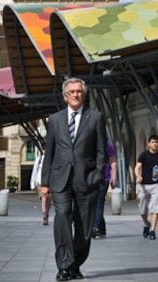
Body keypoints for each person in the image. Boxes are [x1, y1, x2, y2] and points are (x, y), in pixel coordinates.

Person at [41, 77, 107, 281]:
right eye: (72, 92)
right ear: (65, 96)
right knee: (62, 218)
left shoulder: (95, 118)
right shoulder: (55, 120)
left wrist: (97, 175)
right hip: (60, 180)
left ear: (83, 94)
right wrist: (44, 182)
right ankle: (64, 266)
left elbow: (101, 151)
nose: (76, 95)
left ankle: (75, 263)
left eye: (79, 91)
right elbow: (49, 153)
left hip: (86, 180)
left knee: (84, 227)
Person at [134, 134, 158, 240]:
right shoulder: (144, 155)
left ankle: (152, 230)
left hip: (156, 185)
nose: (155, 144)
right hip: (144, 186)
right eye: (153, 142)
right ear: (149, 144)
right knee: (142, 210)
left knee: (155, 209)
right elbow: (137, 167)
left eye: (156, 142)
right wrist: (138, 176)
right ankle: (146, 224)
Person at [92, 141, 117, 239]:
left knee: (98, 202)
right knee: (95, 203)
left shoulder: (106, 144)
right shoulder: (87, 141)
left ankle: (96, 228)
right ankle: (101, 228)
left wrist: (114, 178)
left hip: (104, 177)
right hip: (90, 178)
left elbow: (113, 161)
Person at [30, 149, 51, 225]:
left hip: (51, 182)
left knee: (49, 199)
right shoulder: (39, 159)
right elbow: (34, 171)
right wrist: (32, 184)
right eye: (44, 149)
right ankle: (44, 215)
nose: (45, 151)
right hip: (40, 182)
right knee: (44, 198)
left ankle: (47, 213)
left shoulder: (53, 158)